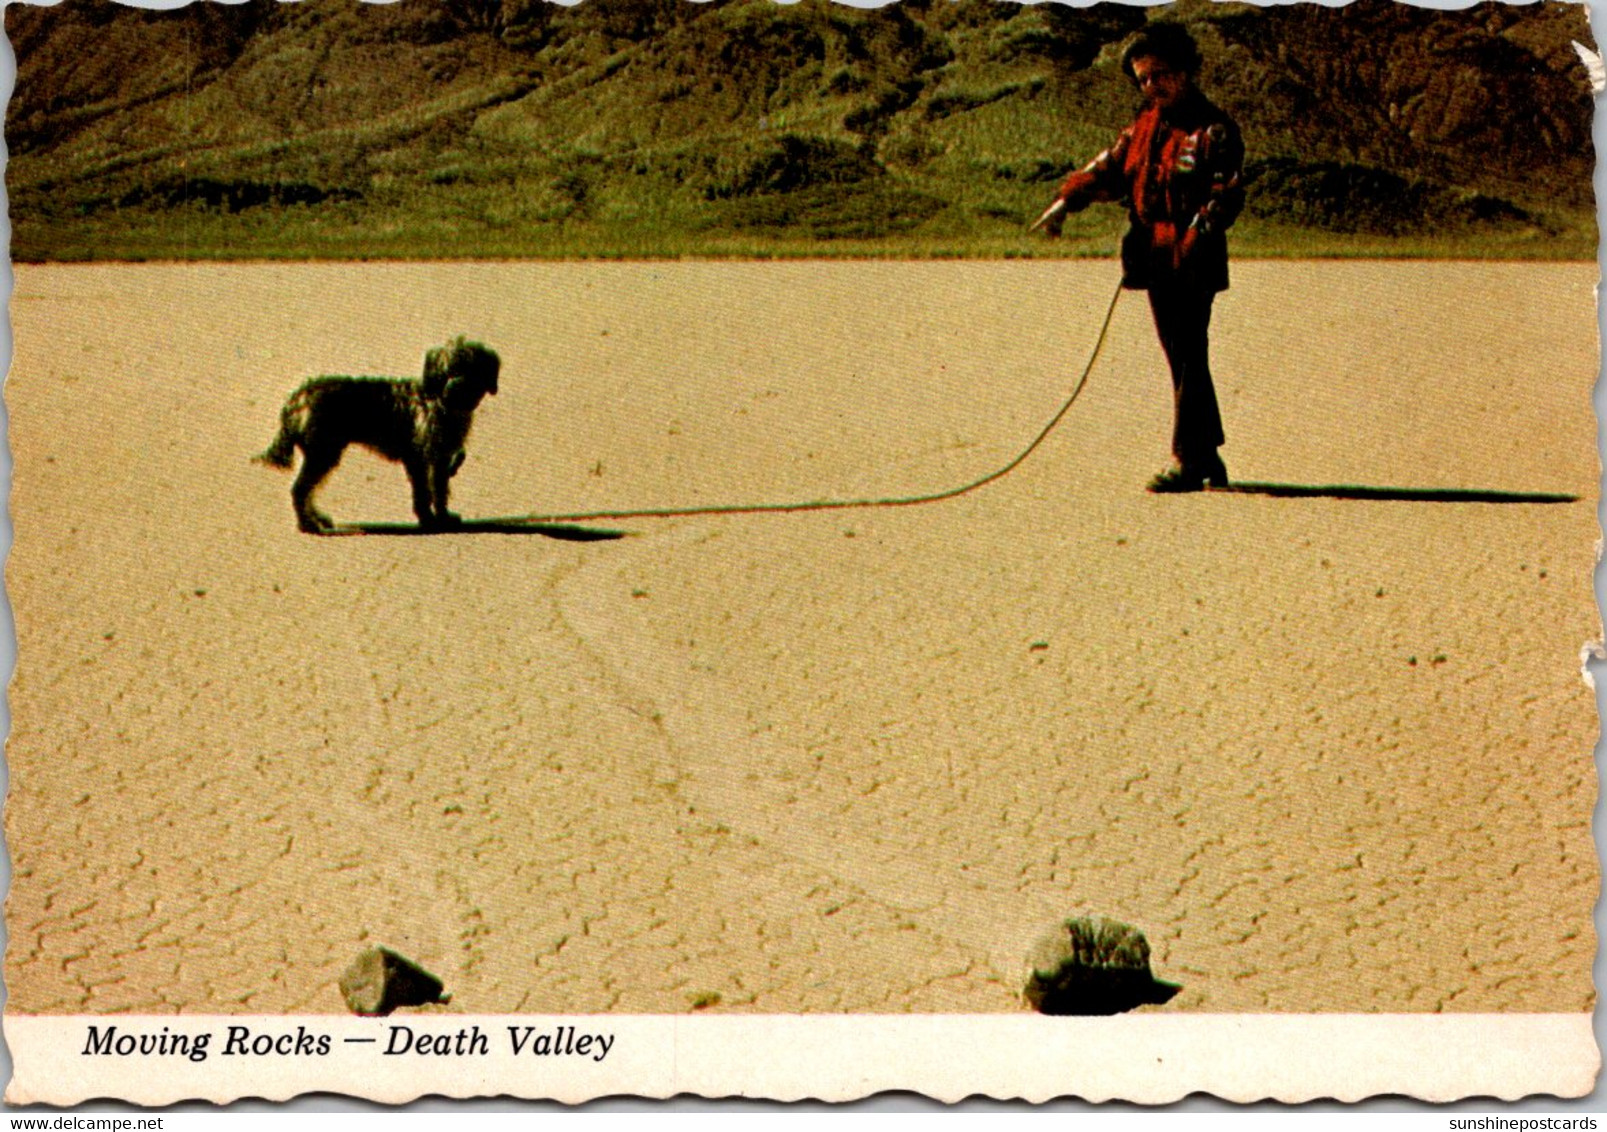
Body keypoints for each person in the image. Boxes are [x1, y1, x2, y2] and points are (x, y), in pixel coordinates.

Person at [1035, 23, 1245, 493]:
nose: (1153, 86)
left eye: (1162, 75)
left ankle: (1189, 459)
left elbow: (1224, 197)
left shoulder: (1215, 130)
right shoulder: (1144, 127)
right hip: (1154, 256)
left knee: (1188, 354)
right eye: (1145, 79)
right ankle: (1205, 455)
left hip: (1193, 258)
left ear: (1187, 72)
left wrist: (1193, 243)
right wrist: (1068, 200)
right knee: (1181, 355)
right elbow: (1110, 167)